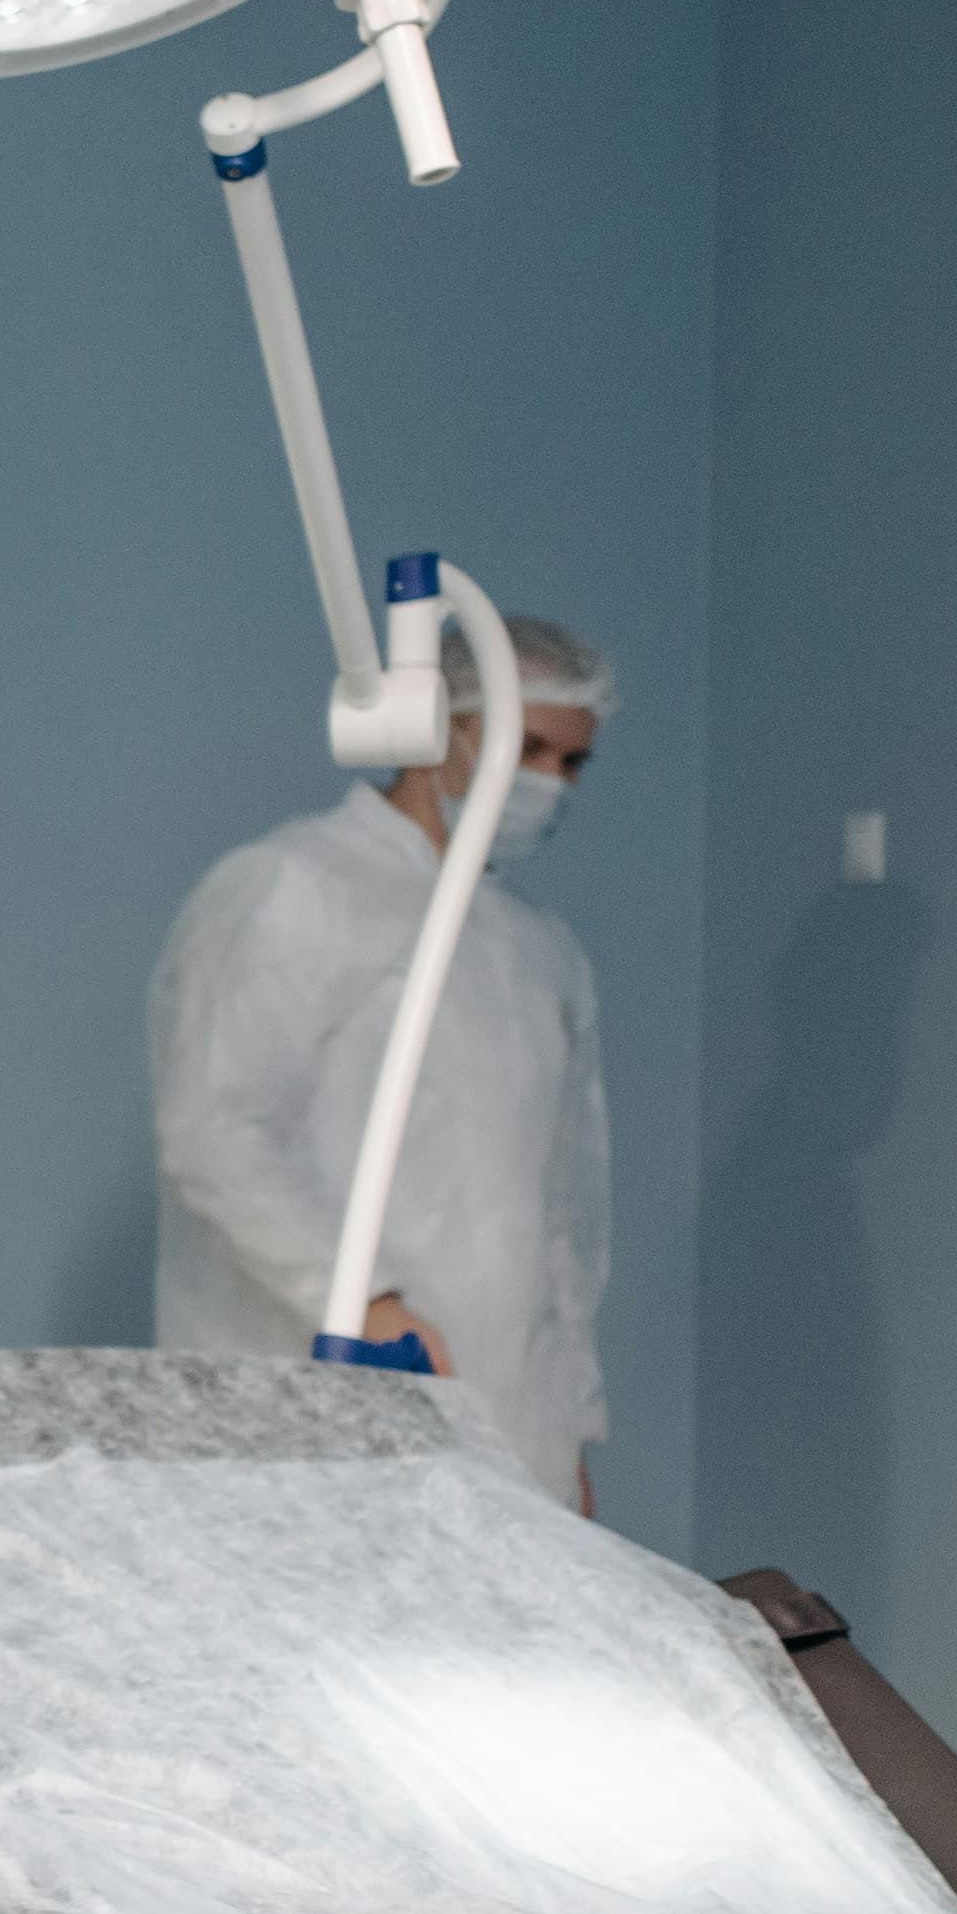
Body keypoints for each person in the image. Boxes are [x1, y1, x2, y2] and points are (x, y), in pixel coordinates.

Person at [148, 612, 616, 1511]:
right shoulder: (296, 888)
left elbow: (561, 1215)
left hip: (509, 1419)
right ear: (440, 727)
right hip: (318, 1397)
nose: (551, 783)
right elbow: (214, 1129)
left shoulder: (535, 950)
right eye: (533, 750)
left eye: (574, 762)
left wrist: (568, 1428)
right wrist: (363, 1298)